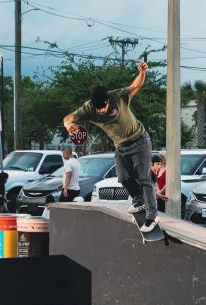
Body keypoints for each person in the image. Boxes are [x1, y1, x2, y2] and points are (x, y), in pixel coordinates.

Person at [62, 62, 159, 233]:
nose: (102, 111)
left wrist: (143, 72)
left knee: (143, 178)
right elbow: (68, 117)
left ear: (108, 100)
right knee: (123, 177)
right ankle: (138, 200)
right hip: (120, 146)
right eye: (98, 109)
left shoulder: (118, 97)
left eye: (104, 107)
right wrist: (68, 124)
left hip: (139, 141)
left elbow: (136, 85)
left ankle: (152, 216)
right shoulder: (89, 108)